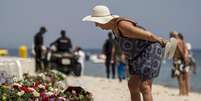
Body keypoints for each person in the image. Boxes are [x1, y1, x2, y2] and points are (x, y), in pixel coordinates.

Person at [82, 5, 169, 101]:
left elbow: (148, 35)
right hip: (137, 55)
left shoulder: (122, 25)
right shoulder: (114, 28)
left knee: (145, 86)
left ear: (104, 20)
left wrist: (163, 41)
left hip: (150, 50)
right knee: (132, 85)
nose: (96, 25)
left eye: (97, 22)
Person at [170, 31, 190, 96]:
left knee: (179, 77)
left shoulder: (176, 41)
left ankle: (181, 92)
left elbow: (181, 51)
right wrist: (185, 60)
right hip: (183, 60)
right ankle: (186, 92)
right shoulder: (183, 41)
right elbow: (186, 51)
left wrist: (183, 59)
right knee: (185, 77)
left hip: (178, 61)